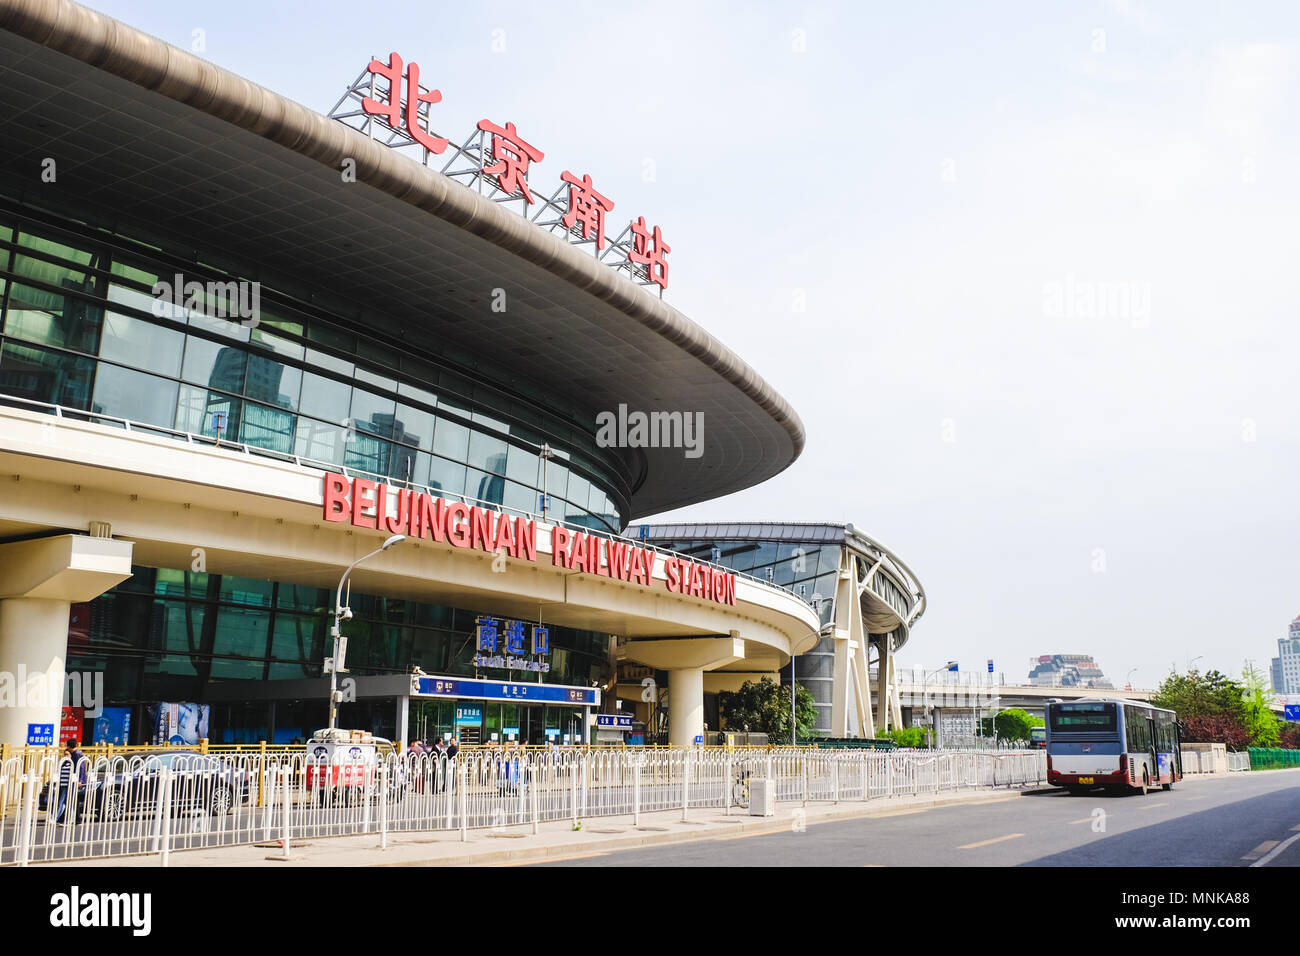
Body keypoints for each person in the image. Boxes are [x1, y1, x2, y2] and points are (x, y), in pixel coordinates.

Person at [55, 738, 88, 824]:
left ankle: (74, 819)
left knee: (72, 799)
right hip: (73, 779)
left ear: (69, 746)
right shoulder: (75, 753)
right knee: (71, 799)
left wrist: (80, 780)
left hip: (76, 780)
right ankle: (67, 818)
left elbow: (81, 767)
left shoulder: (77, 754)